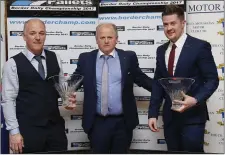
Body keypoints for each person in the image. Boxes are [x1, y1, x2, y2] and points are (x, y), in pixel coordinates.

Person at [148, 5, 219, 152]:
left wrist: (195, 99)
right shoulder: (161, 50)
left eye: (173, 23)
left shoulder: (200, 47)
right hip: (169, 119)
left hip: (193, 118)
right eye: (165, 24)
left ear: (183, 23)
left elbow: (212, 80)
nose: (169, 28)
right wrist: (153, 113)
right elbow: (157, 83)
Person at [72, 23, 152, 153]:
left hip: (123, 123)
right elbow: (73, 83)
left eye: (110, 37)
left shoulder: (128, 58)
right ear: (96, 39)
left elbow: (142, 80)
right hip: (97, 123)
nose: (106, 41)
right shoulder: (86, 59)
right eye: (102, 37)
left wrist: (166, 90)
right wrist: (62, 92)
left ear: (116, 39)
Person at [1, 19, 75, 153]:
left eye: (41, 33)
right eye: (32, 33)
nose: (37, 37)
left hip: (55, 130)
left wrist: (67, 99)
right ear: (24, 36)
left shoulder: (55, 58)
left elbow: (61, 88)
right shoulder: (12, 64)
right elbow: (8, 100)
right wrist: (14, 132)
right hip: (28, 131)